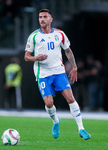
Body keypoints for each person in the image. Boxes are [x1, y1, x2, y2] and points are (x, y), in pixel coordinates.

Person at [24, 9, 91, 140]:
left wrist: (74, 67)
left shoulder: (60, 34)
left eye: (45, 17)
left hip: (59, 71)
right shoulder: (34, 36)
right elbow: (26, 57)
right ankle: (56, 121)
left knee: (71, 98)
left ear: (51, 19)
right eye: (40, 17)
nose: (42, 19)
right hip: (43, 74)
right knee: (49, 103)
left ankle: (81, 128)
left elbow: (68, 51)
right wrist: (36, 57)